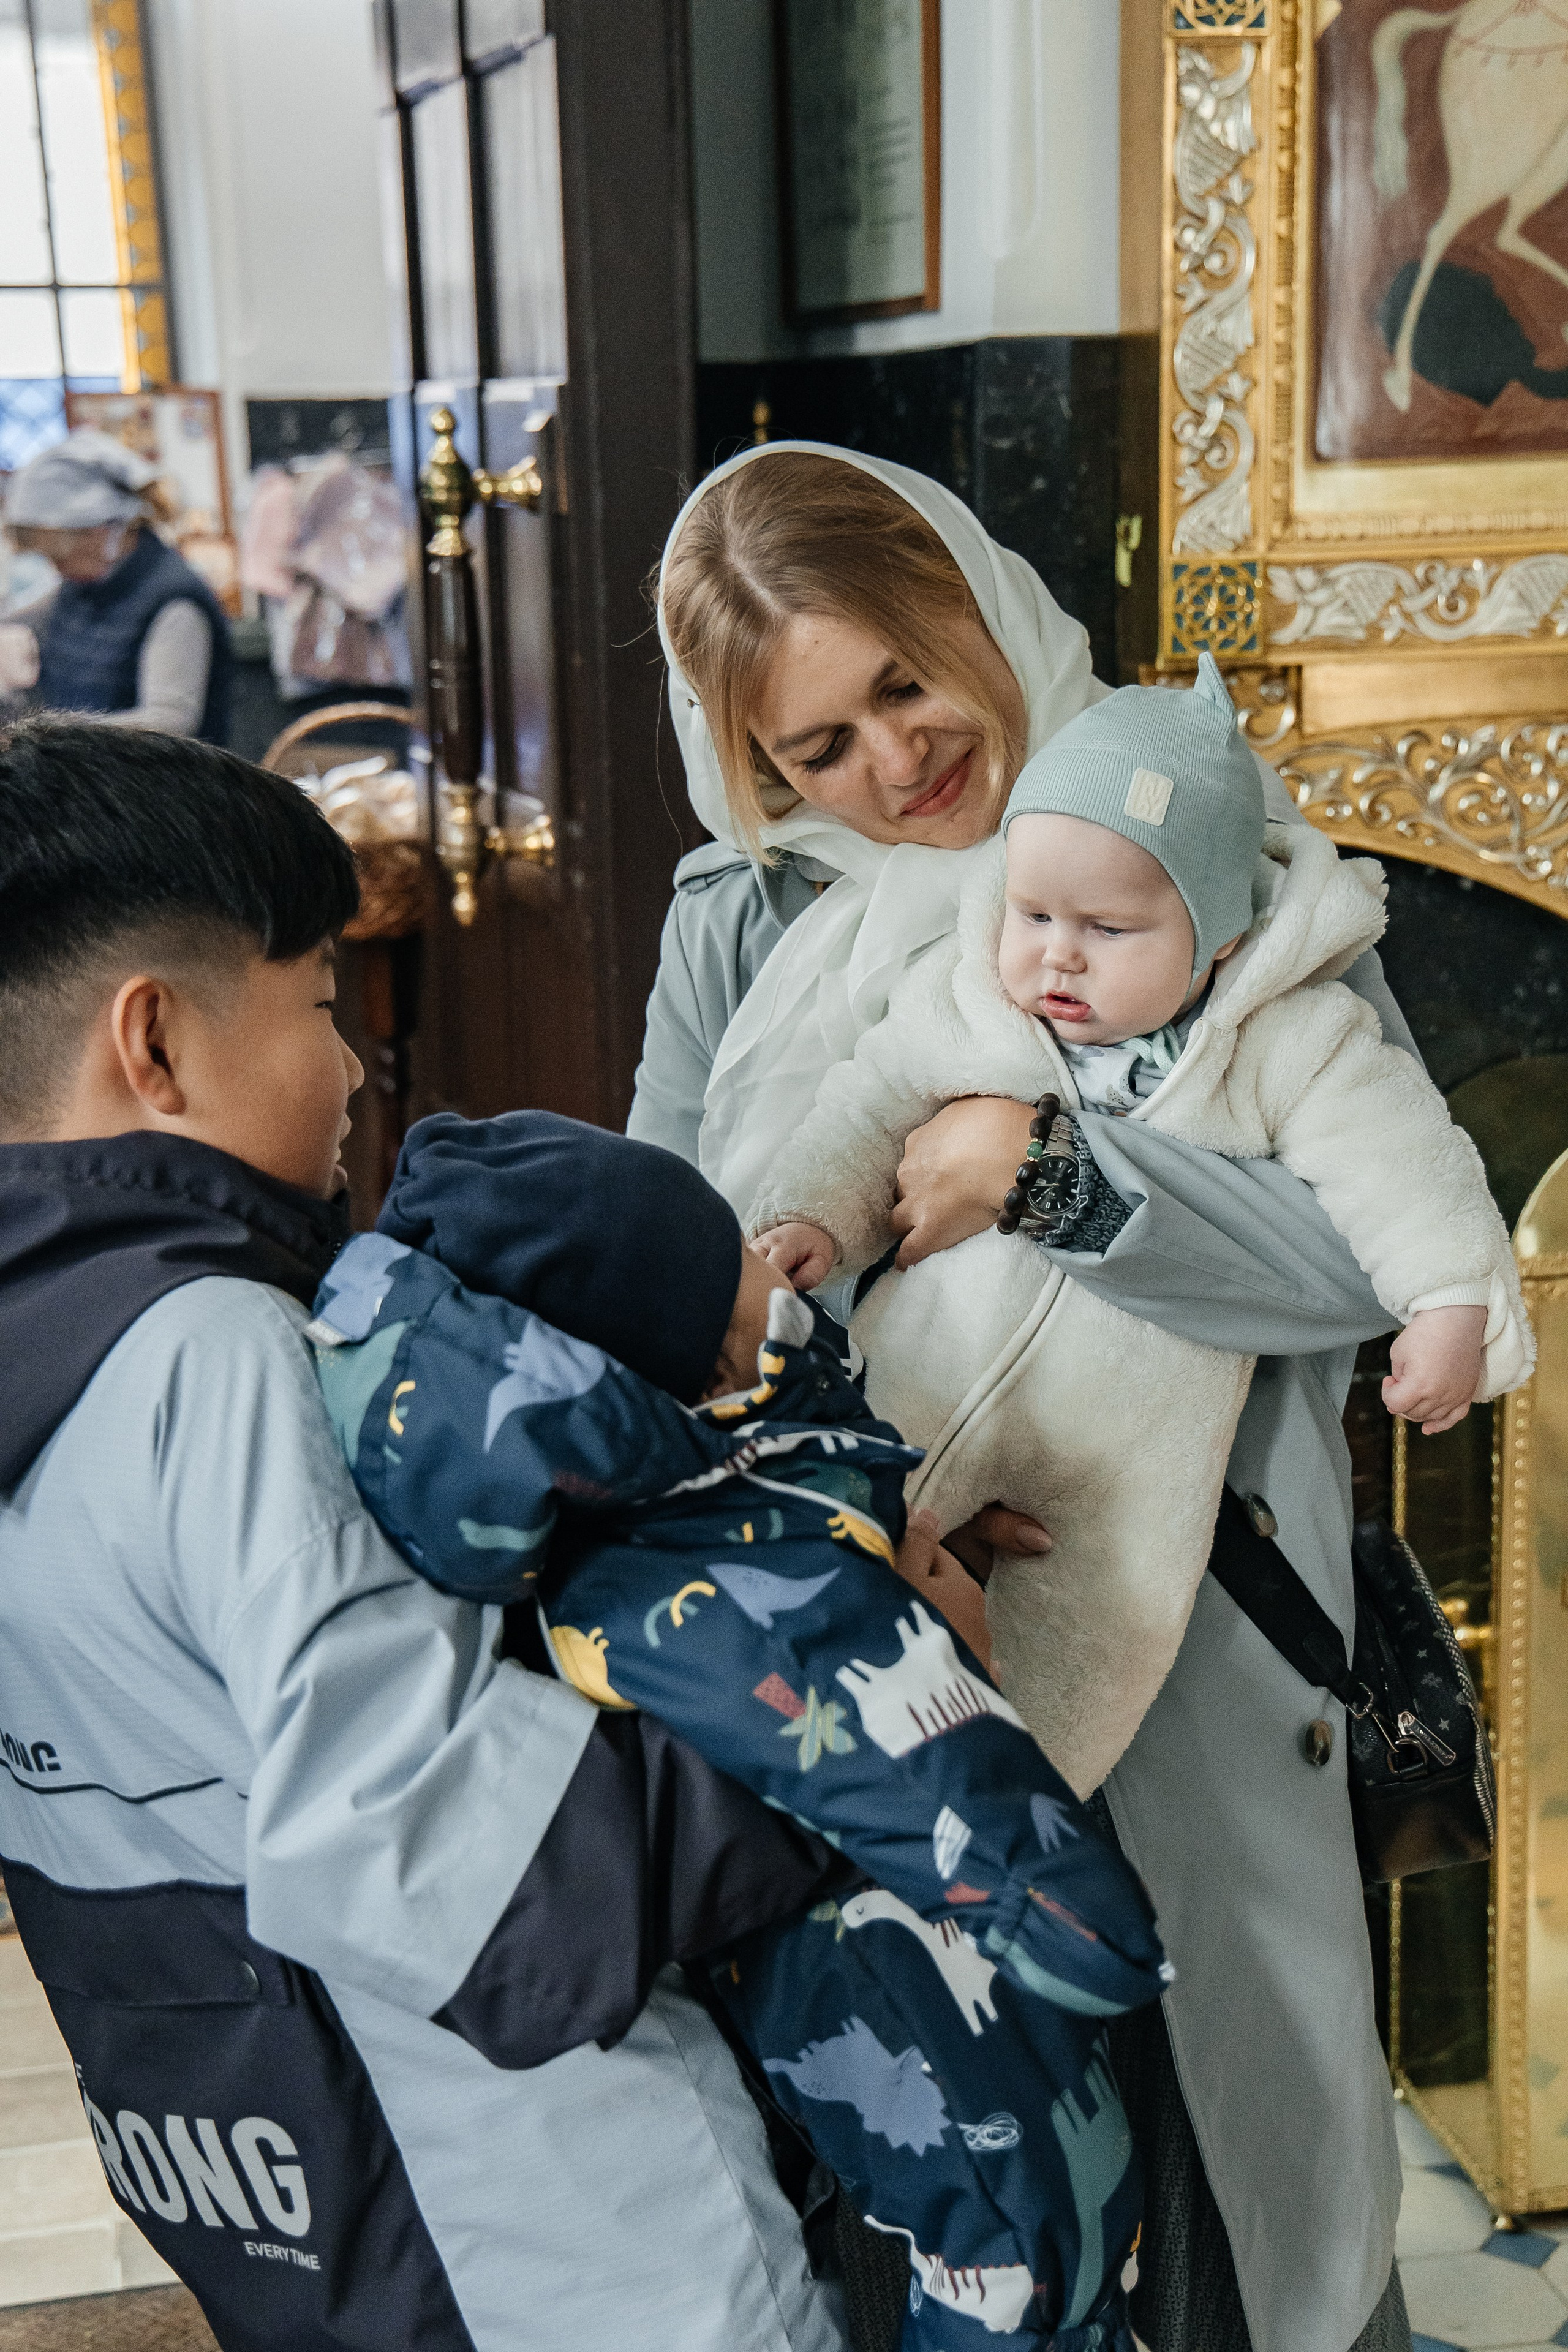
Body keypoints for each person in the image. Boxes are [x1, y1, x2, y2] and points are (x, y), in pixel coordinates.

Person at [630, 441, 1418, 2352]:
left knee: (1257, 2173)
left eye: (903, 678)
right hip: (892, 1641)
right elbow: (668, 1297)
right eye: (816, 746)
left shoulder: (1200, 840)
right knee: (935, 2174)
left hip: (1205, 1625)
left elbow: (1356, 1258)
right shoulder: (739, 929)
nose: (891, 764)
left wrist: (1037, 1172)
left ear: (976, 599)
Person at [0, 715, 872, 2352]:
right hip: (559, 2250)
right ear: (156, 1044)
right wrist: (862, 1726)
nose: (350, 1067)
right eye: (322, 1005)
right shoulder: (214, 1359)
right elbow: (473, 1881)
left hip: (290, 2224)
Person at [301, 1104, 1173, 2348]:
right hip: (888, 1955)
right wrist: (1066, 1906)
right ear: (713, 1362)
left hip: (873, 1929)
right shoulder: (681, 1567)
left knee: (1044, 2232)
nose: (779, 1265)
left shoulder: (701, 1489)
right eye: (746, 1265)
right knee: (1017, 2239)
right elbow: (882, 1735)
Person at [749, 655, 1529, 1796]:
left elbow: (1407, 1168)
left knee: (1085, 1653)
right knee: (821, 1562)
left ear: (1216, 940)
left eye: (1110, 928)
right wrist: (813, 1214)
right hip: (912, 1385)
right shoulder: (970, 995)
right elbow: (867, 1103)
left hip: (1125, 1462)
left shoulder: (1286, 1042)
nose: (1057, 954)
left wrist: (1450, 1303)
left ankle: (1023, 1809)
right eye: (1034, 915)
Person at [0, 431, 232, 742]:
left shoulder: (175, 602)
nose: (58, 568)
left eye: (61, 554)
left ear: (100, 530)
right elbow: (18, 620)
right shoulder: (82, 585)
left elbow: (170, 720)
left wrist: (43, 738)